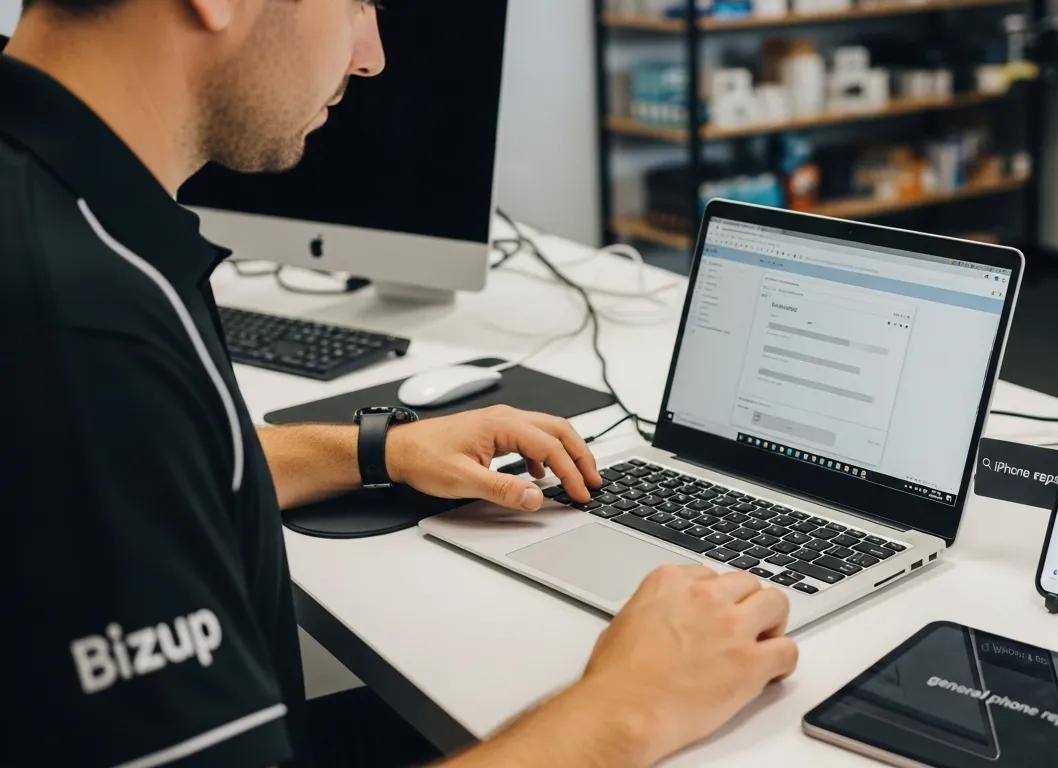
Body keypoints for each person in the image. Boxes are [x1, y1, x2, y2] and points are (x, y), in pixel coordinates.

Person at [0, 1, 798, 766]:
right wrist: (629, 708)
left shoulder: (59, 210)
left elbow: (144, 471)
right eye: (359, 1)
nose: (371, 57)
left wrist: (377, 450)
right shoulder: (79, 325)